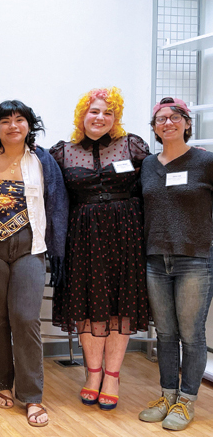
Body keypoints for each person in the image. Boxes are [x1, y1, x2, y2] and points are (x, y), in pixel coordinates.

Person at [49, 87, 150, 411]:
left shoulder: (132, 145)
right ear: (82, 115)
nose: (100, 117)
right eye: (94, 111)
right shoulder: (62, 152)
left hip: (126, 237)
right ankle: (93, 375)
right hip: (83, 238)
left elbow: (156, 182)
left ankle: (113, 376)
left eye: (108, 112)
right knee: (87, 308)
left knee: (120, 309)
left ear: (116, 117)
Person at [0, 100, 68, 427]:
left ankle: (32, 395)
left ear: (29, 125)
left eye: (20, 119)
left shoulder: (42, 160)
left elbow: (57, 203)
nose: (13, 126)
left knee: (25, 318)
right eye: (6, 121)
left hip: (30, 247)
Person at [138, 97, 213, 431]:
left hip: (195, 259)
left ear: (186, 123)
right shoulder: (147, 166)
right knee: (165, 334)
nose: (166, 123)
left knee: (191, 335)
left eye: (174, 117)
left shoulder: (206, 162)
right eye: (159, 119)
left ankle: (187, 401)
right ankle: (167, 395)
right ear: (154, 128)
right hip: (155, 258)